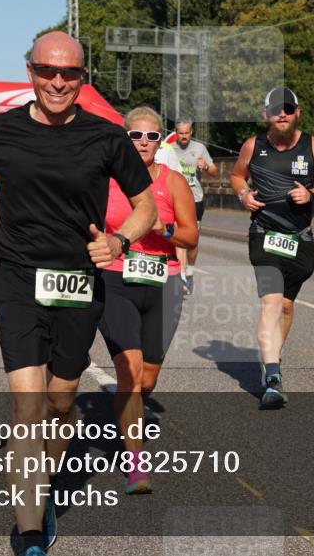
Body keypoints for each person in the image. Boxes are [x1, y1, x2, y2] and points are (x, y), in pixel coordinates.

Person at [0, 31, 155, 556]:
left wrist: (119, 240)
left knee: (61, 404)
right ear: (30, 72)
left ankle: (44, 482)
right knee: (27, 405)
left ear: (82, 79)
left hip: (79, 282)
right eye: (47, 71)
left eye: (69, 74)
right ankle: (31, 527)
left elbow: (144, 205)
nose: (57, 82)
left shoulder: (106, 137)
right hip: (17, 277)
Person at [99, 106, 197, 494]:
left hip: (163, 281)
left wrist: (164, 228)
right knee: (130, 369)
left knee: (148, 379)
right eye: (135, 136)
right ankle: (136, 462)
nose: (142, 142)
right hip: (115, 278)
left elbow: (191, 237)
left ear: (161, 142)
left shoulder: (172, 182)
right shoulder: (105, 180)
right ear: (124, 138)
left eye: (151, 137)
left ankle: (129, 411)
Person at [229, 87, 314, 409]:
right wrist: (244, 195)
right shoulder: (253, 146)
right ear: (266, 115)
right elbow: (236, 176)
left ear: (297, 113)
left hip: (300, 239)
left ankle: (272, 355)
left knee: (286, 307)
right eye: (276, 109)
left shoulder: (313, 146)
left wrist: (312, 195)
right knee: (271, 303)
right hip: (264, 235)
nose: (283, 114)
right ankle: (272, 377)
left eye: (289, 109)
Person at [169, 117, 216, 295]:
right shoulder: (169, 150)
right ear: (175, 132)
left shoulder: (199, 149)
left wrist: (205, 167)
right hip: (175, 198)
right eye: (180, 133)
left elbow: (214, 171)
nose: (184, 136)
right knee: (178, 236)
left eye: (187, 133)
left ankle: (190, 271)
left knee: (192, 239)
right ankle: (180, 275)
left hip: (195, 200)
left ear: (191, 132)